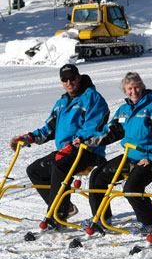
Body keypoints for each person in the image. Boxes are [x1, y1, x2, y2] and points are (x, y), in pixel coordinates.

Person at [10, 64, 109, 229]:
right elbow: (49, 129)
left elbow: (94, 127)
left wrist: (74, 143)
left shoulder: (93, 98)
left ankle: (55, 214)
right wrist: (29, 138)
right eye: (64, 79)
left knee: (59, 167)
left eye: (72, 78)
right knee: (34, 170)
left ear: (79, 77)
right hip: (66, 151)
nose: (69, 82)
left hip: (88, 151)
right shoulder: (62, 102)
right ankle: (64, 209)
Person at [80, 72, 152, 234]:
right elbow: (110, 132)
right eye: (129, 88)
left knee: (132, 187)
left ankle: (149, 223)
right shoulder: (124, 110)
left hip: (151, 157)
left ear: (142, 87)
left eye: (136, 87)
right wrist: (86, 140)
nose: (133, 91)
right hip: (130, 156)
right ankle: (102, 218)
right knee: (97, 176)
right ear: (125, 90)